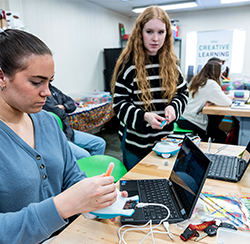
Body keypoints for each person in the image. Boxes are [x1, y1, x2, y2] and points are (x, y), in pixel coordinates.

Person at [0, 28, 127, 244]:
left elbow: (72, 176)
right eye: (36, 82)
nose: (47, 92)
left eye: (50, 81)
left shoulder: (47, 122)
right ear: (2, 77)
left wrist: (95, 197)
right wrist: (63, 205)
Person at [111, 6, 188, 170]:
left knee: (161, 189)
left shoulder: (172, 65)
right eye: (149, 32)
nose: (155, 39)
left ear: (167, 34)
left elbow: (182, 93)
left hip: (166, 144)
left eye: (161, 32)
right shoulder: (129, 66)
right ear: (140, 33)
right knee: (138, 188)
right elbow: (119, 104)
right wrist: (144, 117)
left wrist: (174, 108)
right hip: (136, 146)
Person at [42, 83, 106, 160]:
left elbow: (72, 104)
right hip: (56, 138)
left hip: (68, 131)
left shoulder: (53, 89)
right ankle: (83, 171)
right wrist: (64, 109)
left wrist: (63, 107)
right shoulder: (40, 94)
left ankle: (94, 169)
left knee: (100, 143)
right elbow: (58, 113)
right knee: (84, 155)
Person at [177, 61, 234, 143]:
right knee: (221, 136)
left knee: (214, 127)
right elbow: (227, 102)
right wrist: (230, 98)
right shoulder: (211, 83)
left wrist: (211, 101)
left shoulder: (196, 80)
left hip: (183, 118)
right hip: (193, 121)